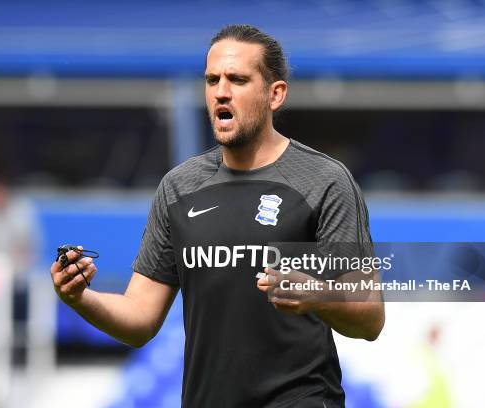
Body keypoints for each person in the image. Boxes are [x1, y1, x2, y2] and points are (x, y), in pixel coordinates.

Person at [50, 24, 384, 408]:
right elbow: (140, 318)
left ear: (275, 94)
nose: (221, 91)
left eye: (238, 80)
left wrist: (316, 294)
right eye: (212, 80)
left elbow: (370, 316)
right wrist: (80, 298)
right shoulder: (179, 187)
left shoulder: (324, 181)